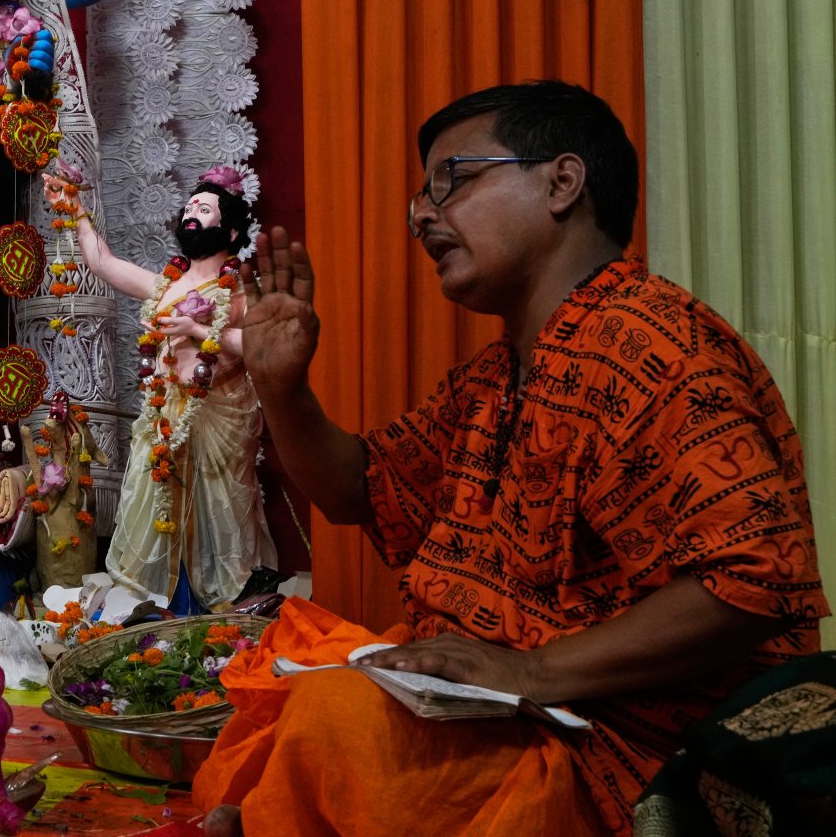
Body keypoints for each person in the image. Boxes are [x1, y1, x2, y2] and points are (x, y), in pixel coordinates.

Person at [192, 80, 826, 837]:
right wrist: (281, 386)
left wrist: (531, 671)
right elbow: (360, 489)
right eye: (421, 196)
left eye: (452, 180)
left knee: (339, 718)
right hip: (508, 710)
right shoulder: (498, 375)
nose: (422, 216)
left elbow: (754, 580)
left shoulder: (655, 344)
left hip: (623, 751)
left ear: (562, 183)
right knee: (291, 666)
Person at [45, 165, 278, 609]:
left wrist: (198, 330)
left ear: (230, 231)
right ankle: (154, 608)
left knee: (222, 514)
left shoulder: (242, 292)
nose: (191, 214)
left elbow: (261, 346)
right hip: (163, 415)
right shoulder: (164, 285)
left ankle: (225, 610)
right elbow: (103, 263)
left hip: (219, 416)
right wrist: (76, 210)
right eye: (189, 207)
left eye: (204, 210)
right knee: (152, 506)